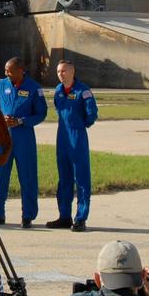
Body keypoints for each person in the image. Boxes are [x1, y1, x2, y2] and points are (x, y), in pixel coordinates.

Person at [0, 57, 47, 227]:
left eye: (10, 71)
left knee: (27, 177)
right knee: (1, 176)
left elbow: (41, 113)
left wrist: (21, 121)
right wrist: (1, 119)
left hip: (24, 138)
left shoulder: (34, 88)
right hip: (5, 138)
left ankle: (28, 216)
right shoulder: (1, 86)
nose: (6, 74)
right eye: (6, 70)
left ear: (21, 70)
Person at [46, 61, 98, 232]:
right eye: (58, 71)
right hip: (62, 138)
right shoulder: (59, 90)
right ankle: (64, 216)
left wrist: (79, 125)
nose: (60, 74)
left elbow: (92, 113)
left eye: (64, 71)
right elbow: (58, 109)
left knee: (81, 179)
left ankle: (81, 218)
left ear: (72, 71)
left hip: (77, 138)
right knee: (64, 179)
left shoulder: (83, 90)